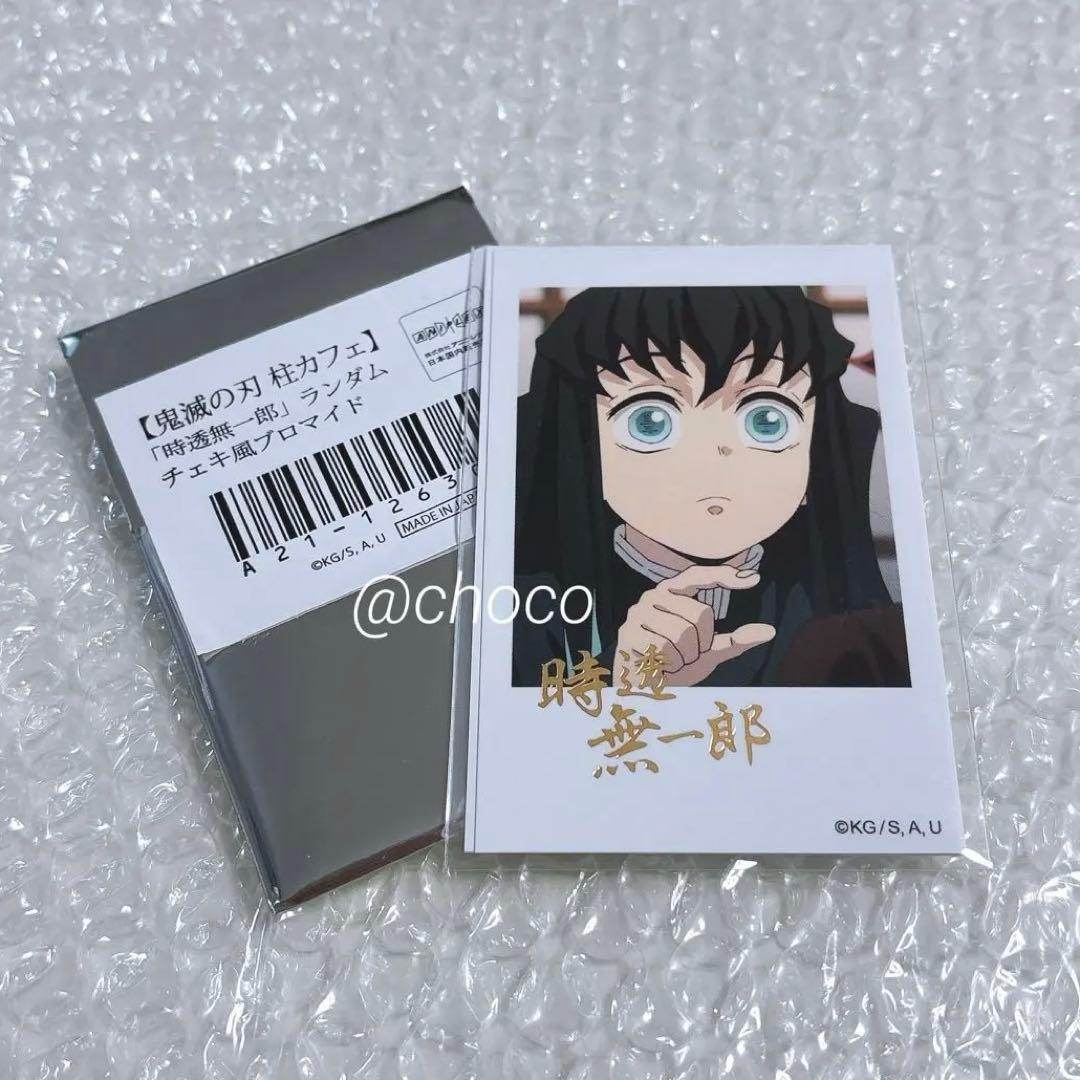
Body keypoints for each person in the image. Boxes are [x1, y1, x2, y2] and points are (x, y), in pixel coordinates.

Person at [512, 285, 910, 688]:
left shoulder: (843, 616)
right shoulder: (533, 609)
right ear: (583, 445)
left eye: (766, 421)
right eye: (649, 422)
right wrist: (623, 682)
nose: (714, 457)